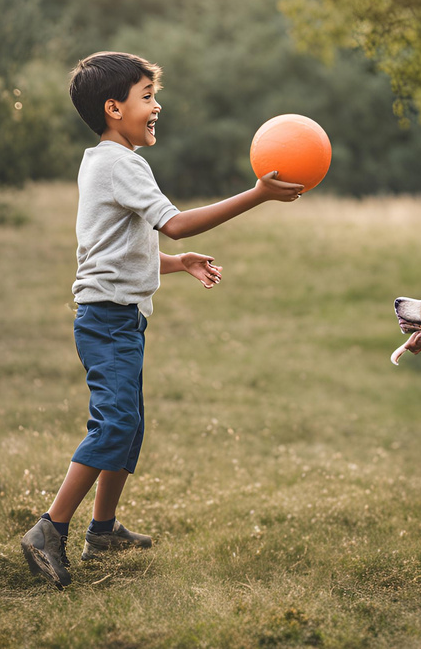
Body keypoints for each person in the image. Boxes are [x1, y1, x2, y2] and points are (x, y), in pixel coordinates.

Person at [20, 51, 303, 588]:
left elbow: (118, 247)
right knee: (115, 426)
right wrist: (258, 194)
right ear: (113, 107)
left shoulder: (103, 161)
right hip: (107, 321)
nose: (156, 106)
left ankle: (101, 531)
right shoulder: (120, 163)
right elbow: (173, 224)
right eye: (146, 97)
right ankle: (49, 530)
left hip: (117, 318)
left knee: (129, 429)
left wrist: (175, 264)